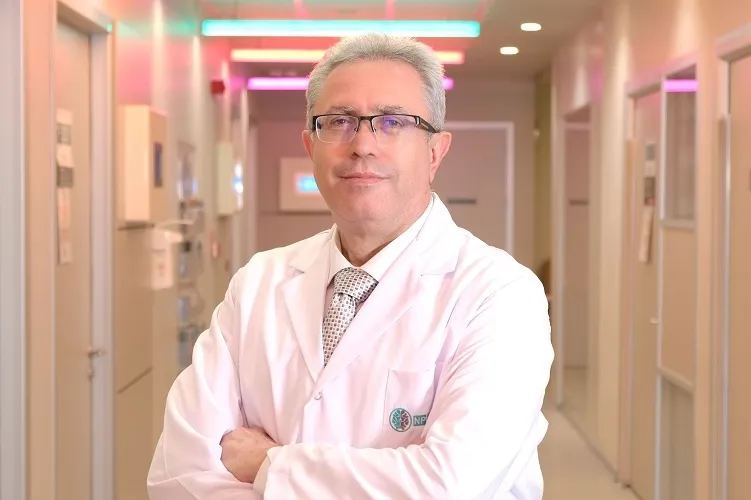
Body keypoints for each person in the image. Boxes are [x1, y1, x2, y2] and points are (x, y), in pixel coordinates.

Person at [147, 32, 554, 499]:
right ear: (310, 147)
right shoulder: (258, 283)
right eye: (339, 121)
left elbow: (448, 485)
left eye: (393, 122)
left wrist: (270, 464)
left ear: (435, 152)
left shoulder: (500, 294)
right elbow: (177, 474)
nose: (362, 144)